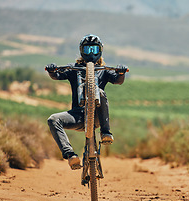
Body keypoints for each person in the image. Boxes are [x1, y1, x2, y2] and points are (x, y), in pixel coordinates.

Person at [45, 34, 127, 170]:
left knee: (100, 92)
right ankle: (70, 155)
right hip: (76, 117)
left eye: (94, 50)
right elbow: (58, 75)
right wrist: (52, 70)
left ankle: (106, 132)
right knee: (53, 119)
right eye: (87, 49)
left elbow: (118, 80)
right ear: (81, 51)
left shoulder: (104, 71)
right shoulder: (74, 68)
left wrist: (121, 73)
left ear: (100, 51)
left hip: (97, 117)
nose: (90, 53)